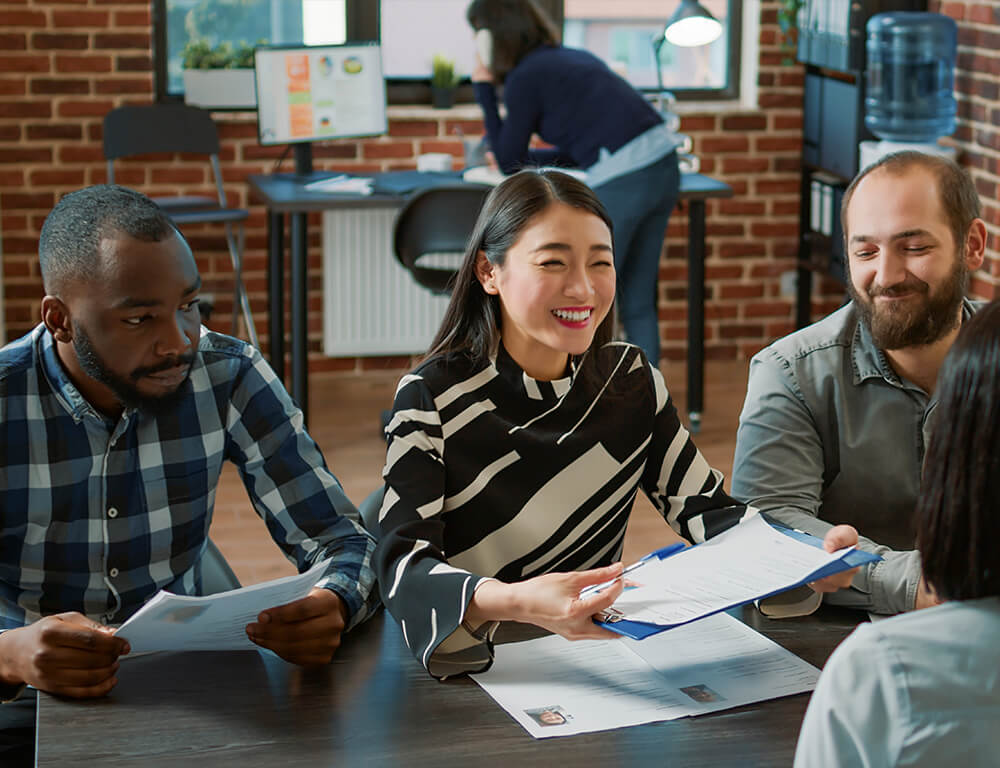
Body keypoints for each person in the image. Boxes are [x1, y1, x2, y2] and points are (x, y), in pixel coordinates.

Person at [373, 170, 856, 679]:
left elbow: (710, 513)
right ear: (489, 273)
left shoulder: (628, 381)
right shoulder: (432, 396)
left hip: (592, 665)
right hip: (482, 666)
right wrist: (515, 601)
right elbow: (403, 570)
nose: (583, 287)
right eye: (552, 262)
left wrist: (803, 558)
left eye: (600, 262)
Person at [0, 186, 377, 707]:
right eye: (138, 319)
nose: (178, 340)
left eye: (188, 306)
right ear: (60, 319)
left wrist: (334, 600)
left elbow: (342, 539)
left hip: (186, 682)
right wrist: (9, 656)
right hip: (28, 698)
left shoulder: (229, 373)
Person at [731, 151, 987, 615]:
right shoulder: (790, 372)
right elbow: (765, 530)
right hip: (834, 639)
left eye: (914, 248)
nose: (886, 276)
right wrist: (918, 585)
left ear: (972, 245)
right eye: (865, 251)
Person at [794, 299, 1000, 767]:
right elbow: (772, 517)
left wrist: (889, 575)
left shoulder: (883, 672)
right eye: (865, 250)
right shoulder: (794, 365)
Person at [465, 0, 682, 365]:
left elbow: (507, 161)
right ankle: (648, 402)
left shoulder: (524, 78)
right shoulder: (569, 58)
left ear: (492, 38)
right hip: (663, 166)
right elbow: (583, 151)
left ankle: (590, 406)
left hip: (628, 177)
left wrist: (484, 88)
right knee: (639, 297)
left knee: (588, 297)